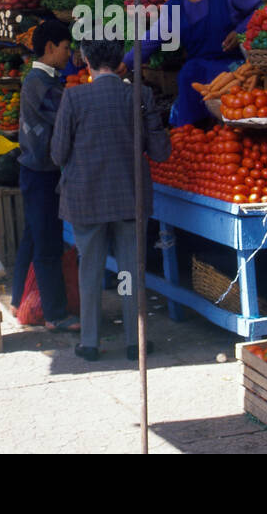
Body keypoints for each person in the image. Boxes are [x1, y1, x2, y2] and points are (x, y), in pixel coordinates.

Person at [51, 36, 171, 361]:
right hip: (130, 199)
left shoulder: (73, 98)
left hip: (85, 199)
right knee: (131, 271)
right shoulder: (141, 95)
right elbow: (160, 152)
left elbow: (57, 152)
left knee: (89, 269)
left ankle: (90, 343)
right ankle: (136, 342)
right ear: (120, 64)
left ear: (86, 63)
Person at [120, 0, 262, 126]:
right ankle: (191, 133)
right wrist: (126, 62)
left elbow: (259, 10)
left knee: (232, 88)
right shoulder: (174, 7)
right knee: (187, 76)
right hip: (197, 66)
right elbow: (151, 39)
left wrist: (239, 32)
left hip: (234, 63)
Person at [12, 19, 77, 330]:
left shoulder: (44, 79)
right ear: (51, 47)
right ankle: (53, 315)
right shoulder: (39, 82)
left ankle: (17, 301)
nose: (70, 54)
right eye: (66, 48)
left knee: (32, 236)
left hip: (34, 169)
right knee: (48, 243)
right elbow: (66, 111)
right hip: (41, 171)